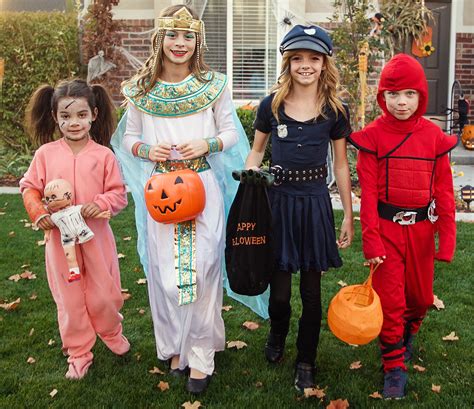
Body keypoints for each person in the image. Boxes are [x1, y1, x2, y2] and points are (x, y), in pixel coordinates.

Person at [111, 4, 250, 394]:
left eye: (188, 36)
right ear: (160, 39)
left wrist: (204, 143)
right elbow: (129, 137)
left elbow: (231, 133)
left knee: (203, 271)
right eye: (173, 35)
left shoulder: (214, 85)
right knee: (167, 275)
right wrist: (144, 151)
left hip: (202, 185)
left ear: (197, 41)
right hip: (160, 191)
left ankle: (201, 356)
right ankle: (175, 346)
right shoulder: (141, 90)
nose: (180, 43)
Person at [245, 25, 354, 391]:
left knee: (311, 293)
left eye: (313, 58)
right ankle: (277, 333)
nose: (305, 65)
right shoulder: (271, 105)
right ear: (288, 62)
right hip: (279, 203)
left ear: (324, 63)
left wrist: (348, 216)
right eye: (297, 59)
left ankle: (306, 358)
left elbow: (340, 165)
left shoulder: (335, 110)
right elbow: (257, 151)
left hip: (314, 206)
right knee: (279, 293)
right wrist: (250, 180)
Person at [348, 53, 457, 399]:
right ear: (383, 97)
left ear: (421, 96)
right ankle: (394, 363)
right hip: (386, 228)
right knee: (391, 299)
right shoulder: (373, 137)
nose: (401, 102)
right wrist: (372, 242)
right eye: (393, 94)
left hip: (422, 230)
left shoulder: (433, 137)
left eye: (410, 94)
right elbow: (367, 193)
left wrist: (447, 240)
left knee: (421, 298)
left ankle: (409, 331)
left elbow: (444, 190)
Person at [20, 79, 129, 379]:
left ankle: (110, 329)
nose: (74, 123)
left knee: (104, 294)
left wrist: (101, 202)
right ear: (55, 117)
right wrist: (39, 212)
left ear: (94, 114)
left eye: (81, 115)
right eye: (66, 116)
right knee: (69, 298)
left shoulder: (104, 156)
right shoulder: (46, 154)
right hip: (60, 242)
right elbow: (29, 187)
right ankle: (79, 352)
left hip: (96, 238)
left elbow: (118, 194)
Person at [43, 178, 111, 282]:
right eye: (48, 199)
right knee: (69, 256)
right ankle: (74, 272)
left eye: (53, 197)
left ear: (68, 196)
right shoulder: (55, 216)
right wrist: (47, 234)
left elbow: (89, 214)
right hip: (67, 237)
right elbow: (48, 226)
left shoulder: (76, 208)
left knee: (93, 253)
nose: (50, 200)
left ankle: (97, 275)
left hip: (82, 231)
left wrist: (101, 214)